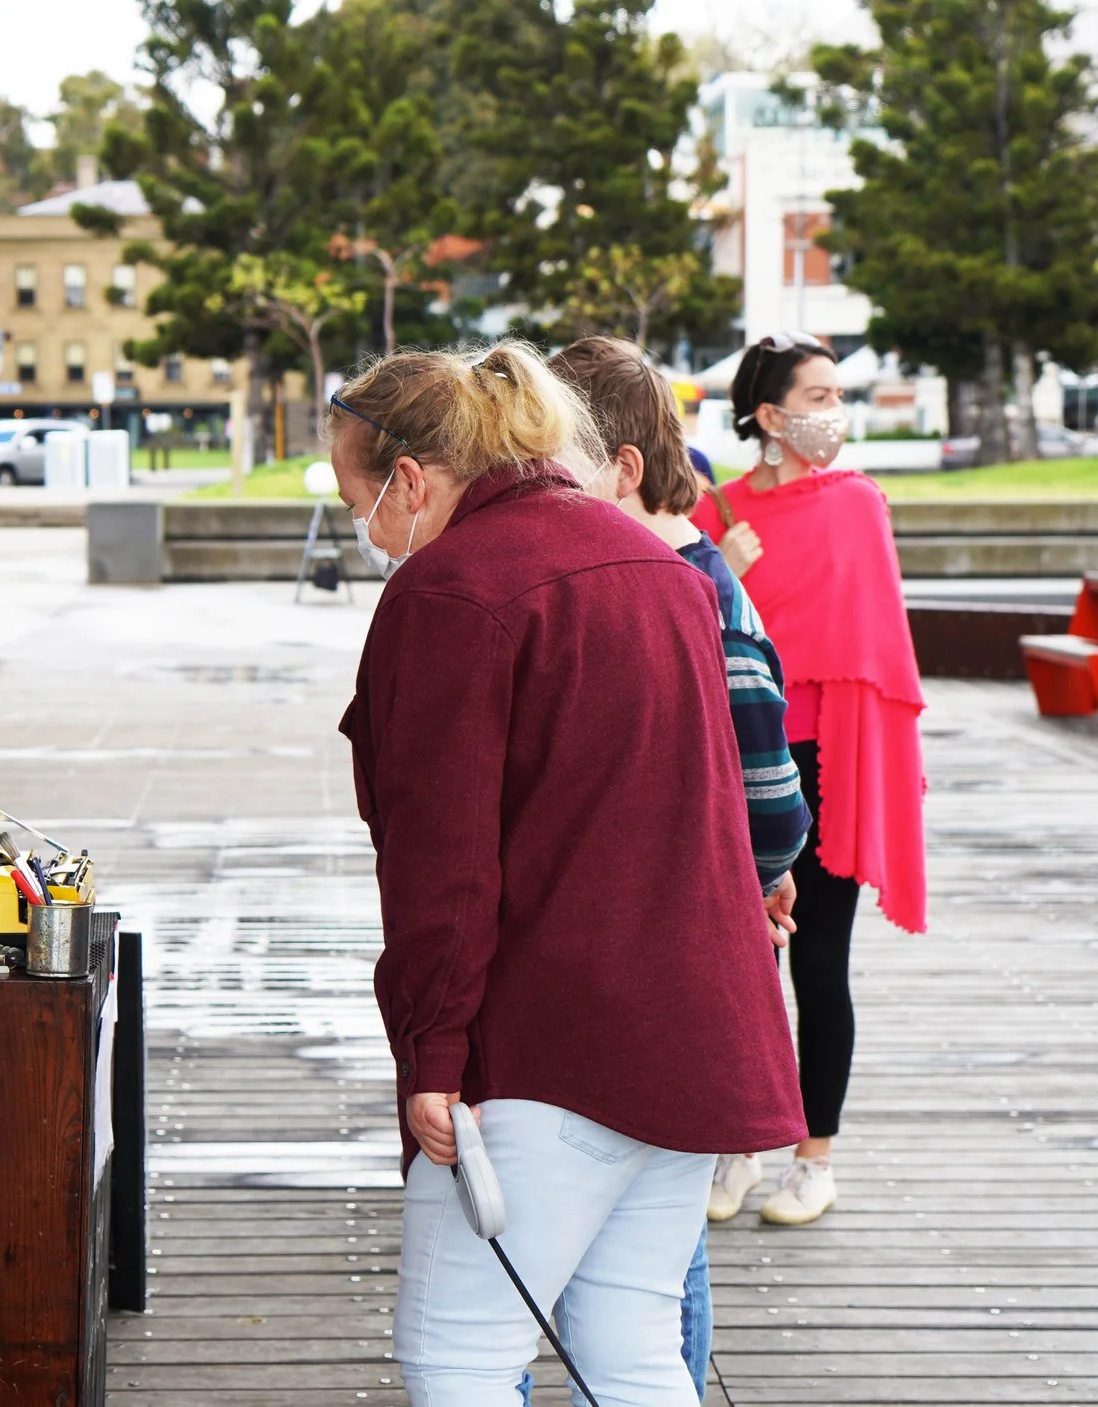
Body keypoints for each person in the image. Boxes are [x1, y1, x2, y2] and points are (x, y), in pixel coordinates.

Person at [333, 341, 808, 1405]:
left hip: (545, 1048)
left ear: (410, 479)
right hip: (695, 1034)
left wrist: (433, 1054)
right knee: (629, 1346)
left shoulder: (450, 590)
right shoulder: (657, 562)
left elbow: (444, 867)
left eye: (359, 502)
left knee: (459, 1353)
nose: (367, 530)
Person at [548, 335, 809, 1395]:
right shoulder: (677, 582)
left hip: (676, 954)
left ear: (618, 466)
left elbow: (770, 798)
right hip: (671, 942)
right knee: (647, 1236)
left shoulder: (695, 593)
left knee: (658, 1252)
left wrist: (754, 872)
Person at [690, 333, 928, 1228]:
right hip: (737, 756)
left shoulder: (858, 504)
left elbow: (880, 651)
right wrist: (726, 569)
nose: (835, 413)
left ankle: (813, 1158)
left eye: (837, 396)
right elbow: (684, 630)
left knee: (820, 961)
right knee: (738, 963)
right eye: (818, 397)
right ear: (768, 413)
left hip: (828, 758)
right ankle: (738, 1143)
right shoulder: (716, 514)